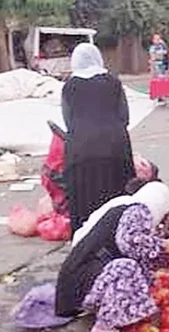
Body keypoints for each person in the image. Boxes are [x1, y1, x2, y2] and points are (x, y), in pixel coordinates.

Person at [55, 181, 169, 332]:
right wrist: (165, 246)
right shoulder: (138, 211)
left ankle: (107, 308)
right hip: (81, 282)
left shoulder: (127, 208)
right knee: (127, 268)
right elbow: (130, 243)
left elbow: (136, 251)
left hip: (82, 281)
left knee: (137, 271)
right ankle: (103, 331)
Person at [62, 43, 135, 233]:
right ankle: (120, 237)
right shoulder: (112, 82)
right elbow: (124, 116)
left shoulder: (69, 86)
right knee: (116, 192)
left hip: (80, 147)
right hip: (114, 145)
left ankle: (86, 241)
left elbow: (68, 120)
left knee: (84, 193)